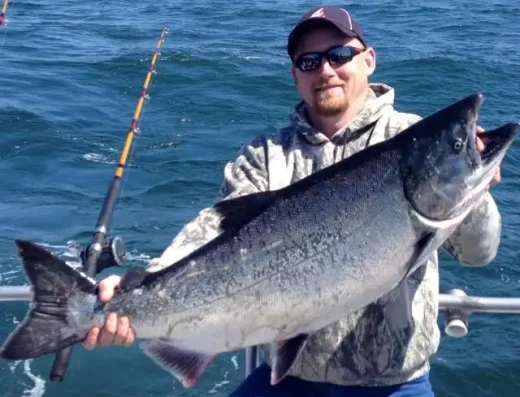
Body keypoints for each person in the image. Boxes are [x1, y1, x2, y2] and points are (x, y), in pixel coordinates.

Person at [83, 6, 502, 397]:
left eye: (339, 54)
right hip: (292, 379)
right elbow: (210, 235)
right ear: (295, 75)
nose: (326, 70)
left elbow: (478, 253)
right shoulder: (266, 157)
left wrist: (474, 186)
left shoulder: (412, 139)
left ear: (368, 60)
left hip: (395, 383)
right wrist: (141, 285)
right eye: (310, 61)